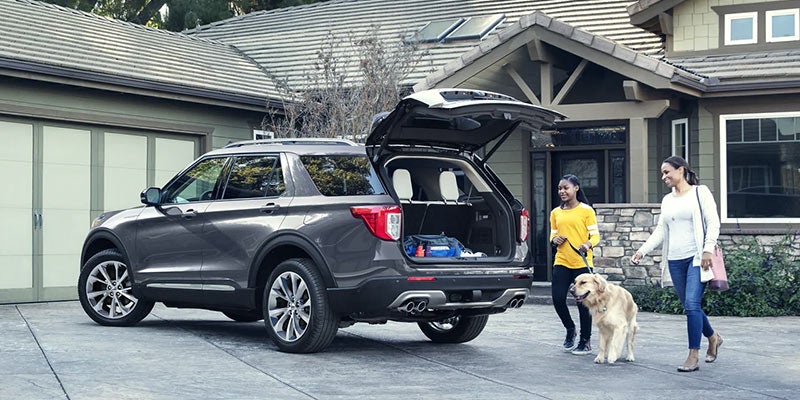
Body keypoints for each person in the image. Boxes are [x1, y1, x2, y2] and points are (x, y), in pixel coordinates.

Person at [631, 156, 723, 372]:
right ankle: (713, 337)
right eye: (662, 174)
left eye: (667, 172)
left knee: (691, 304)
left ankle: (693, 355)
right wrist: (642, 251)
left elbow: (713, 223)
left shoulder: (700, 193)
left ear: (681, 170)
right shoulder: (667, 200)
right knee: (690, 306)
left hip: (696, 258)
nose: (663, 177)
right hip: (674, 260)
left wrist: (708, 249)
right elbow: (661, 231)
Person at [549, 174, 600, 355]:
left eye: (566, 188)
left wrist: (588, 244)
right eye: (560, 188)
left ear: (576, 188)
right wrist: (554, 240)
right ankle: (570, 329)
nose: (562, 191)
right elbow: (552, 235)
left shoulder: (586, 211)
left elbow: (595, 235)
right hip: (562, 261)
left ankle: (585, 340)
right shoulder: (555, 213)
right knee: (557, 299)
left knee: (583, 303)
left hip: (581, 263)